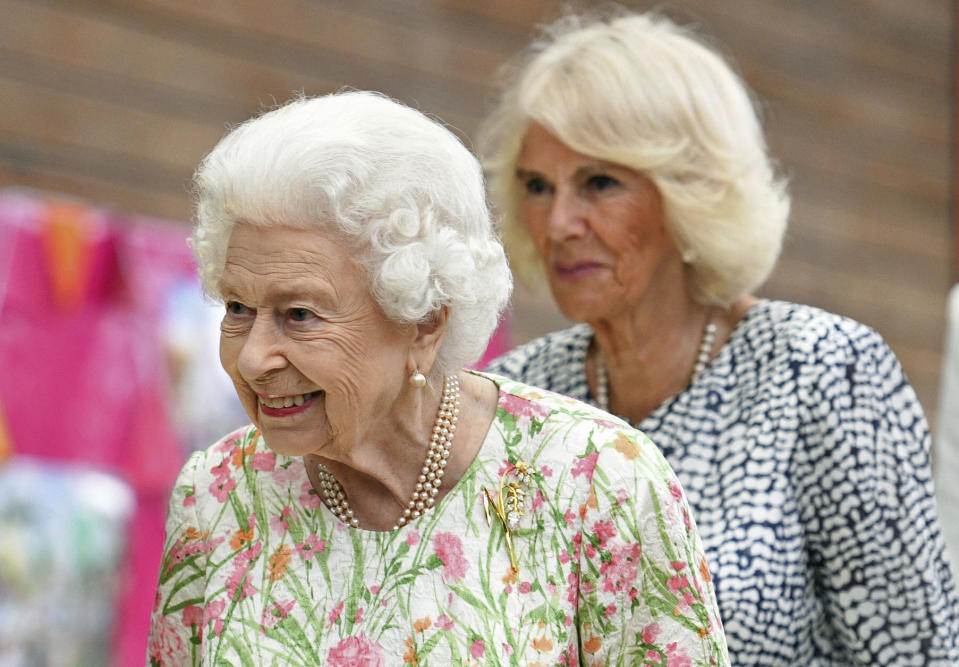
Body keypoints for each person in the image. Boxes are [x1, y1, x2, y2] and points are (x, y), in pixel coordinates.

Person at [146, 91, 728, 665]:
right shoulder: (217, 494)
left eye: (299, 315)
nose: (252, 359)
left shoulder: (596, 482)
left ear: (424, 323)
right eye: (238, 309)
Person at [479, 9, 959, 665]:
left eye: (598, 182)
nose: (558, 221)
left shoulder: (822, 369)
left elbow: (916, 654)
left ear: (690, 191)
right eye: (537, 186)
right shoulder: (518, 399)